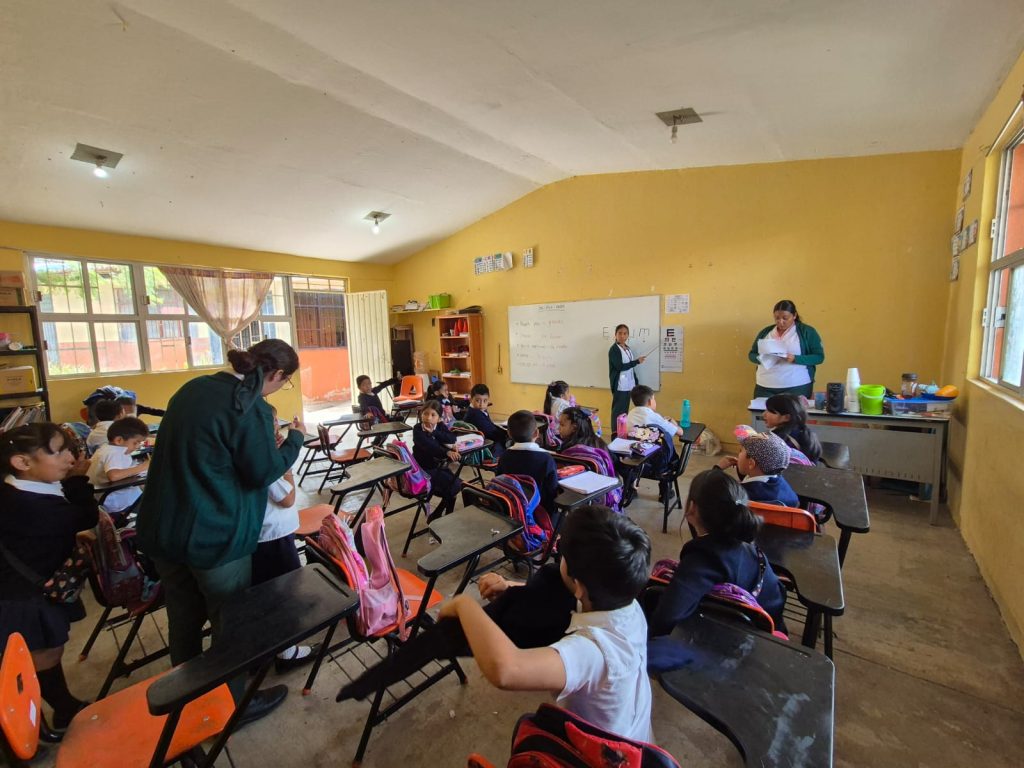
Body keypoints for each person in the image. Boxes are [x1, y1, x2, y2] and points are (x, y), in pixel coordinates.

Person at [339, 505, 653, 741]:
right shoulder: (625, 604)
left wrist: (462, 604)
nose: (558, 558)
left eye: (562, 556)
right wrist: (512, 586)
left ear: (580, 586)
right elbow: (561, 596)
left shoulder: (594, 652)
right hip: (634, 731)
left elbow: (507, 670)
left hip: (602, 753)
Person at [135, 339, 305, 725]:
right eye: (286, 382)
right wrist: (295, 439)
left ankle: (187, 699)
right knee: (230, 620)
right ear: (278, 374)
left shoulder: (193, 388)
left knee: (183, 618)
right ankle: (235, 705)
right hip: (213, 535)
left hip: (165, 528)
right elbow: (263, 472)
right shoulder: (249, 408)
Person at [0, 423, 99, 734]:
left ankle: (58, 708)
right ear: (22, 462)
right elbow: (86, 515)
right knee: (42, 653)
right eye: (58, 452)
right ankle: (44, 717)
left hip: (24, 587)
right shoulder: (33, 507)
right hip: (22, 596)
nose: (70, 458)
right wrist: (77, 479)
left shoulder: (13, 491)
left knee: (41, 651)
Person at [648, 469, 786, 635]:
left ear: (691, 508)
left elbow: (665, 618)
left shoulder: (702, 559)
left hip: (739, 641)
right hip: (771, 634)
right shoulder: (752, 550)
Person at [252, 406, 318, 672]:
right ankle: (287, 652)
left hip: (266, 535)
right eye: (273, 424)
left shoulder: (255, 451)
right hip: (273, 536)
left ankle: (267, 648)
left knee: (270, 592)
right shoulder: (260, 457)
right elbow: (288, 497)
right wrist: (285, 461)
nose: (277, 429)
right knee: (285, 593)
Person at [748, 300, 825, 398]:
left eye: (785, 318)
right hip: (764, 386)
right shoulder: (766, 332)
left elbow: (819, 357)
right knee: (762, 408)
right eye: (777, 318)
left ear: (794, 315)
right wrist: (761, 359)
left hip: (796, 386)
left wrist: (795, 358)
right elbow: (751, 354)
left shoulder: (807, 331)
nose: (781, 322)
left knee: (794, 408)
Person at [497, 410, 560, 521]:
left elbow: (500, 482)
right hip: (541, 513)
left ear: (509, 434)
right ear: (536, 433)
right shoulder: (546, 459)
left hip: (513, 511)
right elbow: (553, 491)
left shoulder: (504, 457)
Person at [558, 407, 622, 512]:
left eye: (562, 425)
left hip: (574, 497)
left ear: (574, 428)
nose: (558, 429)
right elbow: (615, 466)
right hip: (602, 496)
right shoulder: (600, 443)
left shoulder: (567, 449)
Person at [86, 416, 150, 521]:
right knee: (152, 499)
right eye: (135, 442)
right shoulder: (114, 452)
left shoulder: (107, 448)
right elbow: (114, 475)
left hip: (105, 497)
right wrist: (143, 467)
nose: (138, 446)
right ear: (119, 440)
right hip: (115, 502)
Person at [626, 385, 682, 501]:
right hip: (659, 465)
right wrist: (673, 423)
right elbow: (680, 432)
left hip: (636, 461)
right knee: (668, 452)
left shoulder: (630, 415)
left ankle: (630, 490)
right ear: (650, 401)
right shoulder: (655, 417)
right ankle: (665, 493)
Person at [716, 431, 799, 507]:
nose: (738, 454)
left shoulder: (739, 494)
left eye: (741, 451)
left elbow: (710, 492)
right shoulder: (780, 481)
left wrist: (717, 469)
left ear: (751, 463)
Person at [411, 399, 463, 518]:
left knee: (456, 485)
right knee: (454, 486)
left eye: (433, 415)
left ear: (439, 418)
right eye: (425, 413)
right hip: (424, 469)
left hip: (438, 467)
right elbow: (430, 446)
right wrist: (447, 452)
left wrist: (434, 432)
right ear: (421, 414)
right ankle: (440, 515)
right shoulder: (417, 429)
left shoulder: (439, 426)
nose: (428, 417)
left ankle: (438, 515)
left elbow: (451, 438)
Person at [764, 394, 822, 464]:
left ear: (786, 418)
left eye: (770, 411)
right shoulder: (803, 431)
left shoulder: (779, 440)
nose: (764, 414)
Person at [608, 324, 647, 423]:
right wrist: (637, 361)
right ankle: (615, 431)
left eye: (625, 333)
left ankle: (622, 431)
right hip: (620, 386)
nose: (622, 336)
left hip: (629, 385)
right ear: (615, 335)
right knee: (618, 412)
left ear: (628, 335)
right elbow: (620, 366)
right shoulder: (614, 350)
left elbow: (630, 369)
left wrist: (636, 382)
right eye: (620, 333)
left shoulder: (627, 348)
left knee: (624, 412)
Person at [463, 383, 508, 457]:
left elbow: (489, 425)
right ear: (471, 400)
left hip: (486, 440)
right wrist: (506, 435)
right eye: (478, 400)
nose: (481, 404)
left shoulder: (478, 410)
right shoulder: (475, 414)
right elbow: (490, 433)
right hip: (485, 446)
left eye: (485, 401)